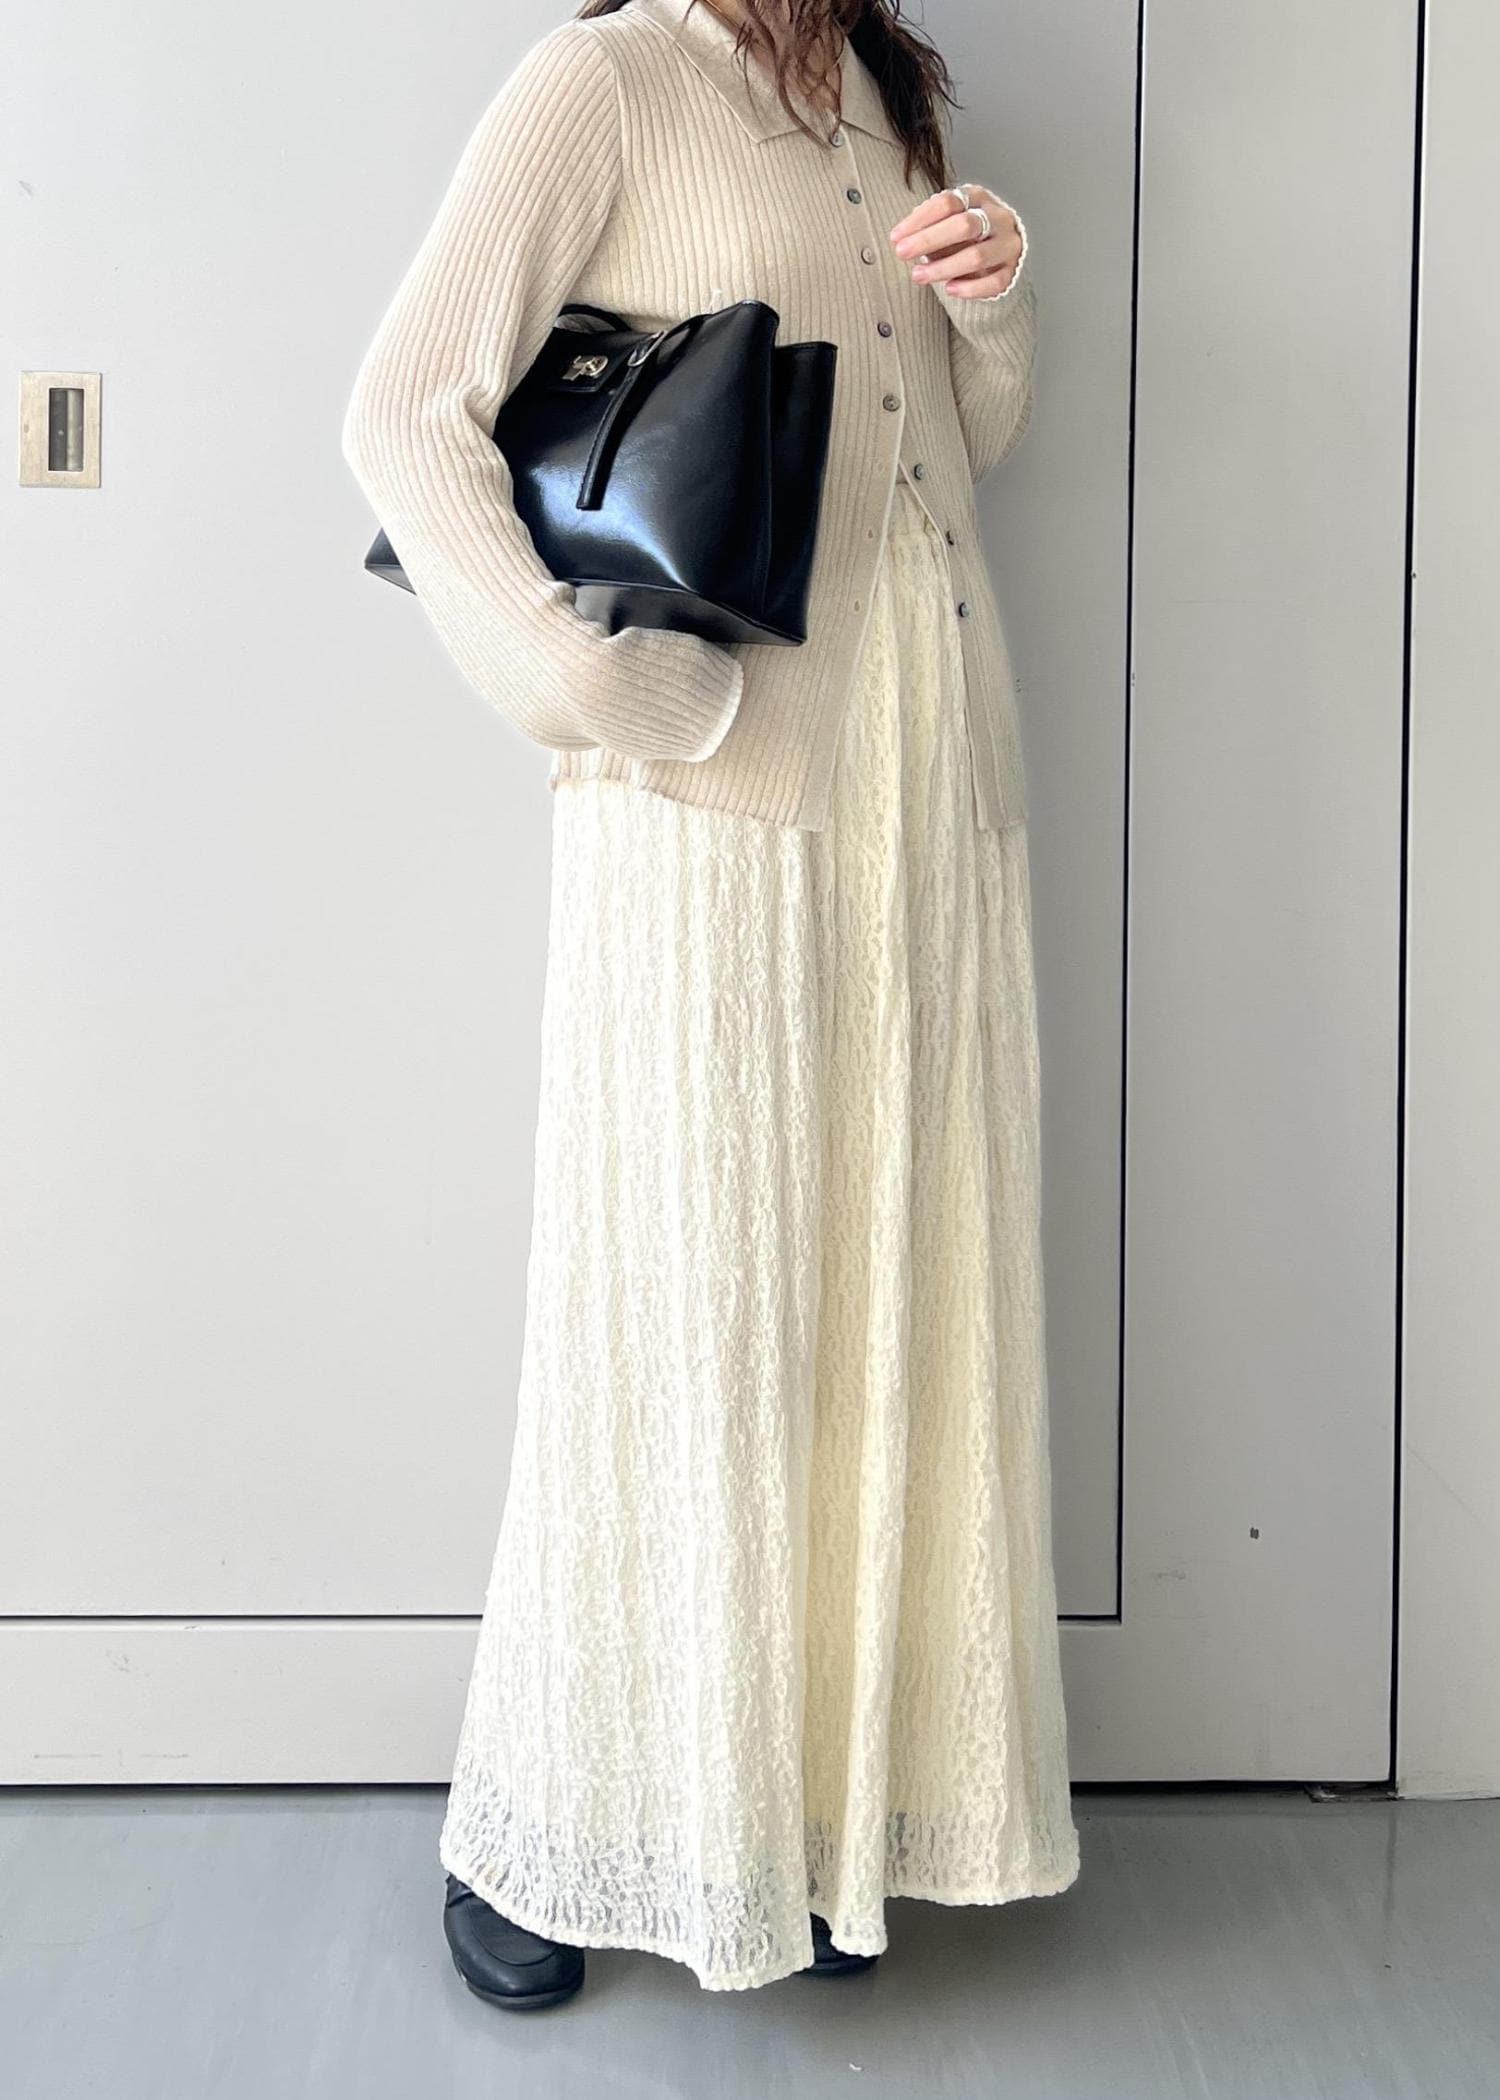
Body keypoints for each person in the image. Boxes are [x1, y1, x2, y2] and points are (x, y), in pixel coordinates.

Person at [340, 0, 1080, 2006]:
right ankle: (544, 1826)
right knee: (676, 1312)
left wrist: (993, 300)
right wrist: (589, 687)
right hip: (714, 787)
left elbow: (960, 444)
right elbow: (402, 410)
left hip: (932, 772)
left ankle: (814, 1827)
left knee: (886, 1305)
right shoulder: (601, 82)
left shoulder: (883, 92)